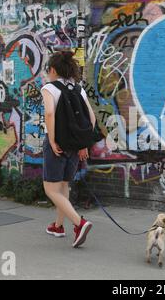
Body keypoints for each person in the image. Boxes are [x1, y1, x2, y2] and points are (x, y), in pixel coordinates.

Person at [41, 51, 97, 248]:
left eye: (48, 70)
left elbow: (49, 113)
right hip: (75, 146)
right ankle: (58, 226)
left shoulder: (49, 88)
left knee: (50, 189)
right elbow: (92, 119)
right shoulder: (79, 89)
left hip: (57, 145)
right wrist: (83, 144)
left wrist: (53, 139)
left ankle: (79, 223)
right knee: (64, 186)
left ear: (53, 70)